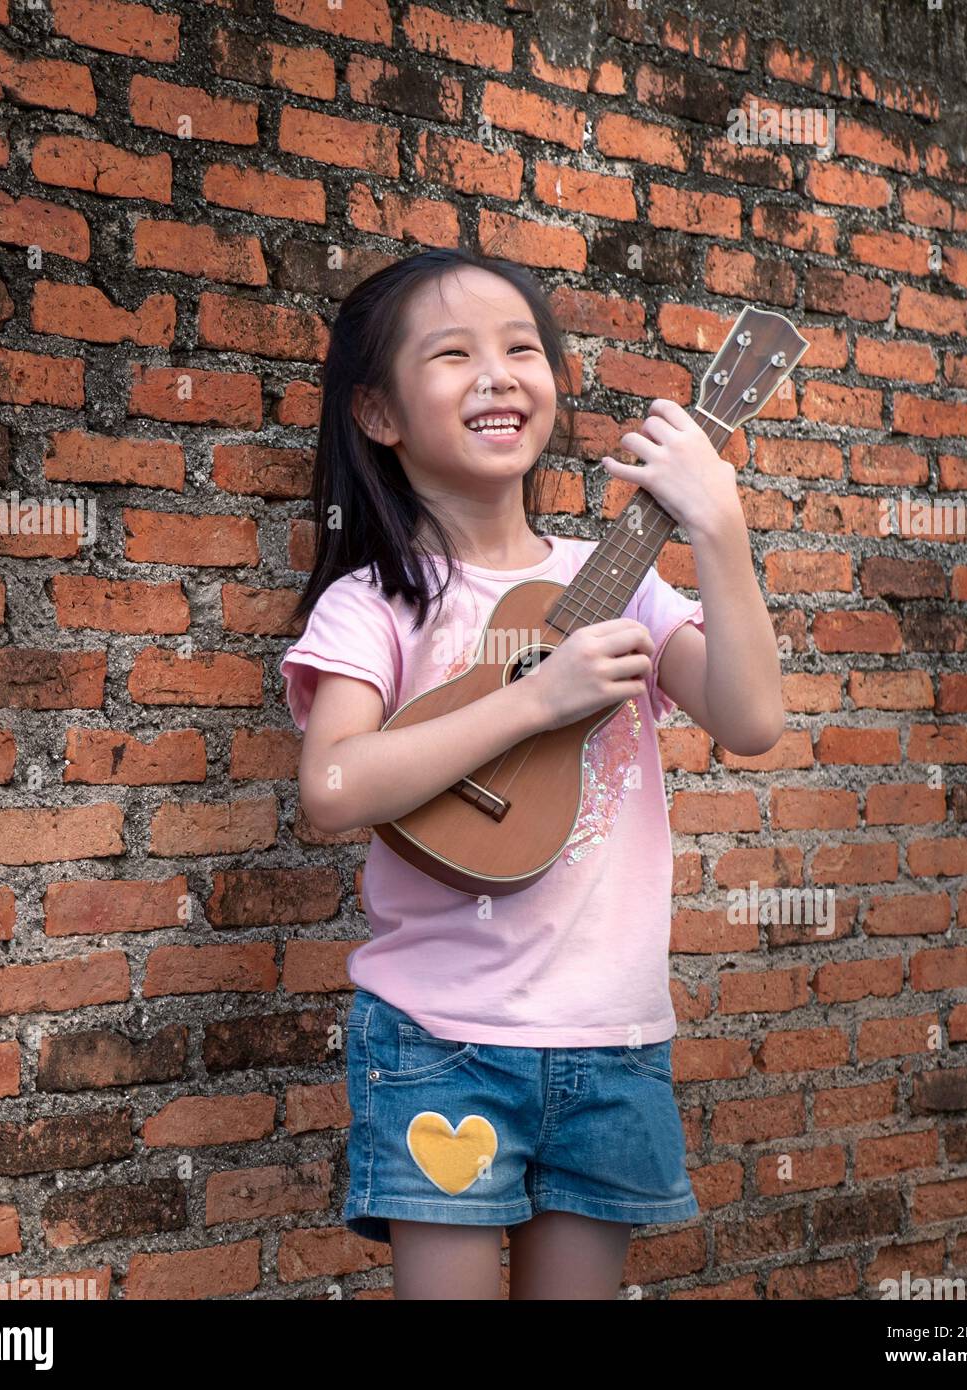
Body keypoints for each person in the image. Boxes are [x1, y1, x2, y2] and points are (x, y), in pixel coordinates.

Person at [280, 247, 785, 1299]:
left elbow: (751, 719)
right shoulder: (378, 603)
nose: (498, 374)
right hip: (440, 1038)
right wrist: (536, 698)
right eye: (452, 354)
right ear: (379, 413)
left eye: (521, 348)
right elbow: (330, 791)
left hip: (614, 1039)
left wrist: (718, 525)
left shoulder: (619, 583)